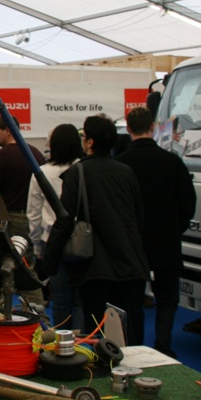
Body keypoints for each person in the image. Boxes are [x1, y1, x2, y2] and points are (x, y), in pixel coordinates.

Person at [43, 115, 149, 344]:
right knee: (130, 334)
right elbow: (139, 219)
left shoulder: (77, 174)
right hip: (131, 264)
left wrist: (48, 262)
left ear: (90, 142)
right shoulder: (126, 172)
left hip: (96, 268)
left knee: (97, 334)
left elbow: (64, 221)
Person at [116, 106, 197, 358]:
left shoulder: (120, 164)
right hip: (166, 239)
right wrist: (174, 228)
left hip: (132, 242)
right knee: (167, 298)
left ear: (128, 128)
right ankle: (163, 344)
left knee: (132, 298)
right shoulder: (173, 162)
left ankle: (135, 348)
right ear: (152, 127)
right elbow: (188, 203)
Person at [0, 115, 46, 307]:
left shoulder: (0, 157)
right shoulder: (36, 154)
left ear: (8, 131)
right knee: (28, 267)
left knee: (1, 268)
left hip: (8, 221)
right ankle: (38, 313)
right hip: (33, 220)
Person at [28, 123, 84, 331]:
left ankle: (62, 343)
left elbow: (33, 214)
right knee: (79, 300)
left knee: (60, 299)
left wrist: (36, 247)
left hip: (51, 242)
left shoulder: (41, 174)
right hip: (81, 241)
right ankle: (82, 343)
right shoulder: (84, 169)